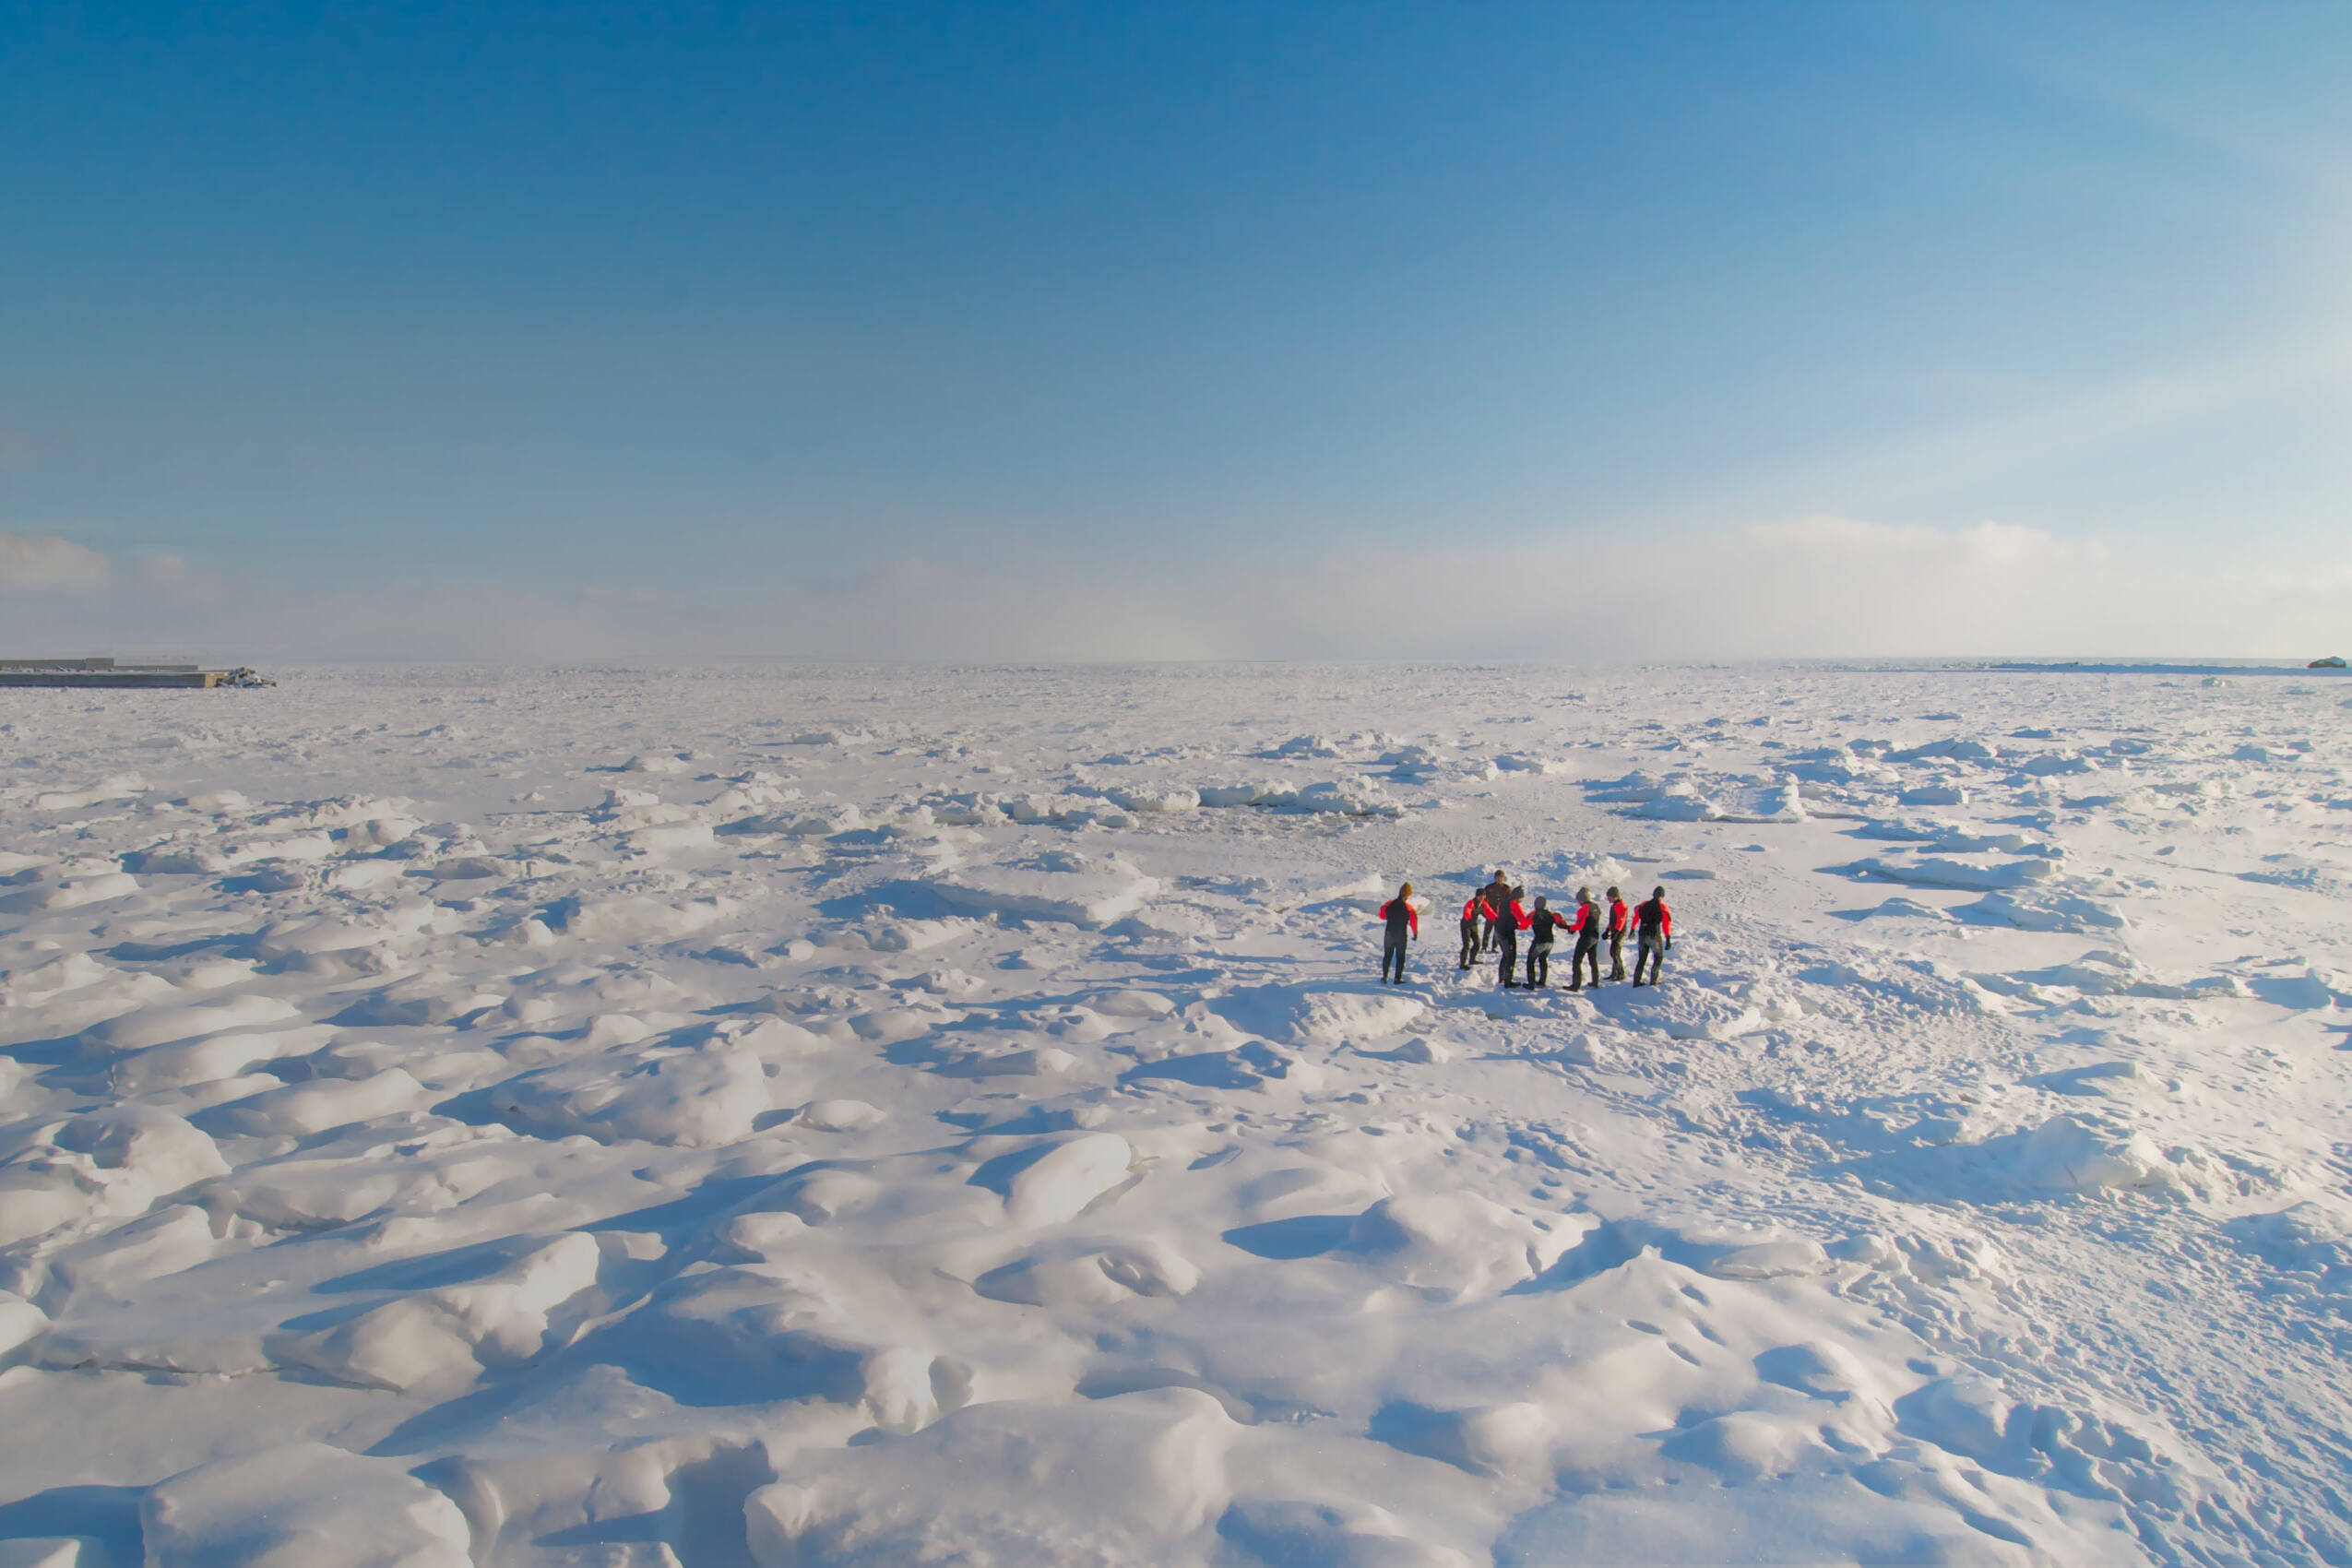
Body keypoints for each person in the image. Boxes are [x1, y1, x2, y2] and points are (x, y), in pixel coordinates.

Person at [1377, 883, 1419, 984]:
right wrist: (1415, 933)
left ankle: (1384, 976)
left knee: (1388, 955)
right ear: (1408, 895)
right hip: (1401, 935)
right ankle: (1397, 979)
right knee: (1400, 957)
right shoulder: (1409, 908)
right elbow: (1414, 921)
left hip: (1389, 933)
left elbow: (1382, 915)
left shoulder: (1388, 904)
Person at [1524, 894, 1569, 987]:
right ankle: (1542, 981)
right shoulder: (1551, 914)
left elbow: (1524, 924)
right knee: (1543, 959)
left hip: (1539, 942)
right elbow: (1561, 924)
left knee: (1530, 961)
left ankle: (1531, 984)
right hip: (1550, 942)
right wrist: (1569, 927)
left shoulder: (1533, 914)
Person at [1633, 885, 1673, 985]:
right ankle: (1654, 980)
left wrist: (1633, 928)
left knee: (1641, 959)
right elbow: (1666, 924)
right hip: (1654, 936)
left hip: (1642, 934)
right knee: (1658, 957)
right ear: (1662, 896)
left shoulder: (1643, 905)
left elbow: (1636, 914)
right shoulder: (1662, 907)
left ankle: (1636, 981)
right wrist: (1668, 938)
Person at [1493, 885, 1531, 988]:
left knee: (1505, 955)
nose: (1521, 901)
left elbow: (1502, 916)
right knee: (1511, 956)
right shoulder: (1514, 904)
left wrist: (1515, 925)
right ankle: (1508, 981)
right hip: (1507, 933)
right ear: (1517, 897)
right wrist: (1524, 925)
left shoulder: (1502, 903)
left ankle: (1501, 978)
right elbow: (1523, 921)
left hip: (1498, 931)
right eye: (1521, 899)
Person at [1565, 885, 1603, 990]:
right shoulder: (1596, 907)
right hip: (1595, 937)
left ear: (1581, 900)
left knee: (1577, 961)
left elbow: (1579, 925)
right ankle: (1595, 982)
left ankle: (1575, 985)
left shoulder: (1583, 909)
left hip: (1585, 938)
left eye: (1578, 900)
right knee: (1593, 961)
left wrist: (1570, 928)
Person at [1479, 870, 1513, 953]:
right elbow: (1484, 900)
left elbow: (1510, 901)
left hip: (1500, 913)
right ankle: (1484, 946)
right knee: (1487, 929)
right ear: (1495, 878)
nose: (1499, 879)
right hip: (1490, 912)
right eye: (1497, 877)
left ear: (1503, 878)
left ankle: (1494, 946)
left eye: (1501, 877)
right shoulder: (1489, 888)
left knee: (1497, 930)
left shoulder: (1506, 888)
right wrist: (1485, 912)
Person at [1458, 887, 1492, 969]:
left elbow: (1489, 912)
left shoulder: (1484, 904)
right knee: (1467, 945)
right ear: (1477, 896)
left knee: (1477, 943)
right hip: (1465, 925)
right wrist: (1467, 915)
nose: (1482, 897)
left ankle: (1472, 960)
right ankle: (1462, 964)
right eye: (1480, 896)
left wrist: (1496, 918)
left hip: (1473, 925)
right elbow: (1467, 910)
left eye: (1483, 895)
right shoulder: (1471, 903)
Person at [1605, 885, 1631, 981]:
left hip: (1620, 933)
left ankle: (1621, 974)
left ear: (1614, 896)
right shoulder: (1615, 905)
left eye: (1609, 897)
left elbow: (1621, 920)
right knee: (1614, 952)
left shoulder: (1621, 905)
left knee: (1615, 952)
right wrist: (1607, 929)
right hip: (1615, 931)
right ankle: (1614, 973)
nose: (1607, 899)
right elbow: (1612, 920)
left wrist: (1617, 931)